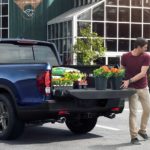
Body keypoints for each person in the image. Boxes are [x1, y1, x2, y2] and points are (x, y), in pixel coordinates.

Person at [121, 37, 150, 145]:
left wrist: (129, 80)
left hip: (143, 87)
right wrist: (121, 79)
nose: (146, 49)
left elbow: (143, 73)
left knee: (148, 110)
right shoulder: (125, 56)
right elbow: (121, 70)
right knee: (133, 113)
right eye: (145, 47)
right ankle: (134, 137)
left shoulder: (146, 56)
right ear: (138, 47)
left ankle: (142, 130)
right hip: (131, 89)